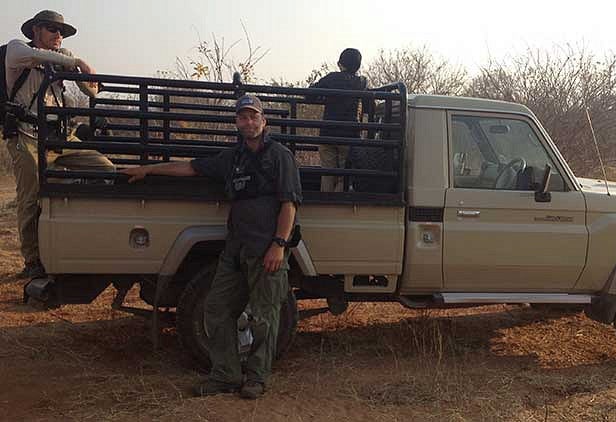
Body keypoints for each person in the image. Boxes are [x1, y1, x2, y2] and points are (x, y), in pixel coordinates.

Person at [121, 94, 302, 400]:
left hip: (267, 249)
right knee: (216, 309)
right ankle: (226, 374)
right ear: (237, 122)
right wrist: (149, 170)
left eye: (253, 116)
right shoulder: (232, 157)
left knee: (265, 316)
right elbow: (190, 168)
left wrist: (279, 245)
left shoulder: (280, 156)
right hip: (236, 249)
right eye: (242, 117)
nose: (248, 121)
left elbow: (289, 204)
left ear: (263, 120)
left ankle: (256, 377)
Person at [3, 10, 114, 279]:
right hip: (27, 136)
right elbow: (36, 57)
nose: (58, 35)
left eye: (61, 31)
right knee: (30, 199)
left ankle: (72, 236)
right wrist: (77, 60)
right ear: (36, 30)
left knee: (106, 170)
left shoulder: (63, 57)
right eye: (52, 29)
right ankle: (32, 262)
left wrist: (79, 70)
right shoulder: (17, 49)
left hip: (62, 137)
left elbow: (92, 91)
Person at [309, 48, 368, 192]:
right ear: (358, 66)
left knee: (327, 174)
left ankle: (326, 201)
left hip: (328, 133)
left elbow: (309, 95)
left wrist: (323, 97)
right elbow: (368, 106)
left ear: (340, 64)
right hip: (350, 136)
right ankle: (339, 203)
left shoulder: (331, 78)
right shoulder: (361, 82)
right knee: (344, 175)